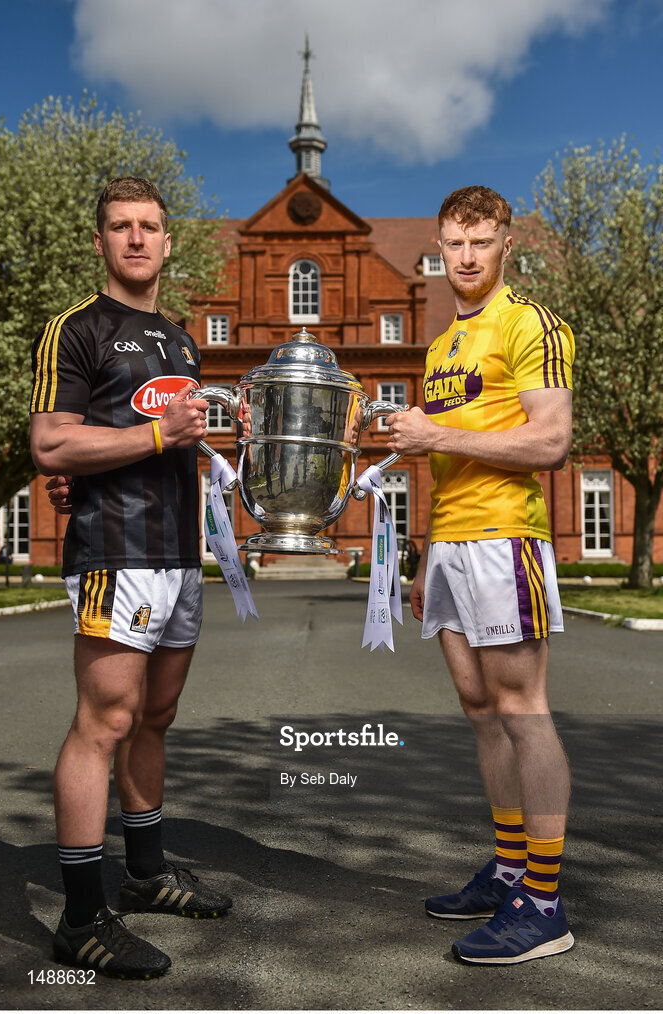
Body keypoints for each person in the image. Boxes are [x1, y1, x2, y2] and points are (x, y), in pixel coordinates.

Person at [29, 177, 231, 981]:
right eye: (122, 226)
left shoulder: (181, 342)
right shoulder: (74, 332)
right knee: (102, 723)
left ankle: (145, 875)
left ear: (168, 240)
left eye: (150, 226)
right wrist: (155, 437)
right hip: (116, 552)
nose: (137, 239)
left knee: (157, 714)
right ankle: (81, 920)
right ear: (100, 240)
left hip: (180, 556)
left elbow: (166, 443)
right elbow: (52, 445)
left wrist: (219, 440)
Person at [385, 185, 575, 965]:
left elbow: (549, 441)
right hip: (450, 542)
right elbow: (448, 442)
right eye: (452, 246)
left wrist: (438, 432)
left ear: (505, 245)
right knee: (477, 707)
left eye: (480, 243)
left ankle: (543, 901)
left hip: (505, 538)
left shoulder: (530, 323)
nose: (465, 258)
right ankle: (506, 871)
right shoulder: (439, 348)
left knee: (521, 707)